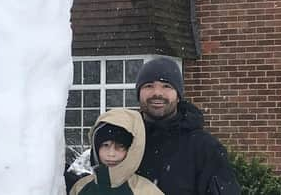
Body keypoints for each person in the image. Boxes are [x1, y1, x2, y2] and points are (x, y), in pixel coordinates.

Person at [135, 57, 240, 195]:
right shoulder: (122, 141)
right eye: (149, 85)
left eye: (166, 86)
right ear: (138, 94)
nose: (157, 93)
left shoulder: (205, 148)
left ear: (178, 96)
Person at [70, 108, 164, 195]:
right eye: (105, 145)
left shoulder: (146, 191)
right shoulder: (80, 187)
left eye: (120, 147)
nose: (111, 154)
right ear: (96, 147)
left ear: (132, 150)